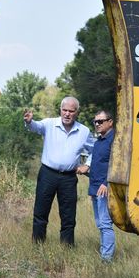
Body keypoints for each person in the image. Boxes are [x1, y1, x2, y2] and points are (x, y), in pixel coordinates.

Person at [23, 96, 92, 246]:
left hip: (68, 178)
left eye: (71, 111)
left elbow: (94, 150)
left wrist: (87, 164)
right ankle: (37, 246)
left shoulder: (84, 131)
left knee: (68, 216)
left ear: (76, 112)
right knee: (40, 213)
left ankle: (66, 249)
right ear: (60, 110)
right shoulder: (49, 124)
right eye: (64, 110)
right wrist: (29, 121)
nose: (67, 114)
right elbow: (36, 126)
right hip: (47, 174)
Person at [86, 110, 115, 262]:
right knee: (99, 224)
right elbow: (96, 165)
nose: (97, 124)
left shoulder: (115, 140)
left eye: (100, 121)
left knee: (105, 224)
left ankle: (106, 259)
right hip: (95, 188)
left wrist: (106, 183)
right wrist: (92, 190)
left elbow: (116, 166)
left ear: (110, 122)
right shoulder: (98, 143)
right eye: (95, 121)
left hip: (105, 188)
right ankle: (105, 255)